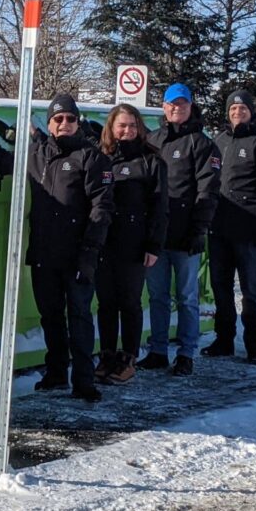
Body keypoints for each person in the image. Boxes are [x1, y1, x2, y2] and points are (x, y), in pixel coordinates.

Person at [0, 94, 113, 402]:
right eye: (58, 119)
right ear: (50, 123)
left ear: (77, 121)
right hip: (44, 252)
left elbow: (102, 208)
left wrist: (90, 251)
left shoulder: (91, 158)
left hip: (79, 254)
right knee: (50, 315)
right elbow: (1, 160)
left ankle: (84, 381)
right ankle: (55, 373)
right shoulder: (36, 154)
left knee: (79, 316)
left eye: (70, 118)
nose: (64, 123)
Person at [138, 83, 221, 377]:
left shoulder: (202, 144)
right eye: (172, 104)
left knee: (187, 297)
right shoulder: (153, 139)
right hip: (156, 237)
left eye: (183, 104)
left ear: (190, 107)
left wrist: (198, 229)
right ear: (164, 106)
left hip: (185, 235)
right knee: (158, 295)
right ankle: (158, 350)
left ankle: (186, 353)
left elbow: (207, 191)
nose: (177, 108)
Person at [202, 89, 256, 364]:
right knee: (220, 287)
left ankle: (254, 344)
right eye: (233, 110)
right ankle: (224, 339)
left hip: (248, 229)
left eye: (243, 109)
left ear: (252, 112)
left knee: (251, 290)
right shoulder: (219, 141)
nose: (238, 114)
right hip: (219, 228)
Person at [92, 104, 168, 385]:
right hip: (103, 242)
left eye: (132, 125)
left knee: (130, 302)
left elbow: (160, 207)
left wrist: (153, 245)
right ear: (111, 128)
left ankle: (128, 358)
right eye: (121, 125)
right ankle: (107, 355)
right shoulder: (101, 158)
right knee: (106, 303)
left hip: (134, 244)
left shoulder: (151, 161)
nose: (127, 130)